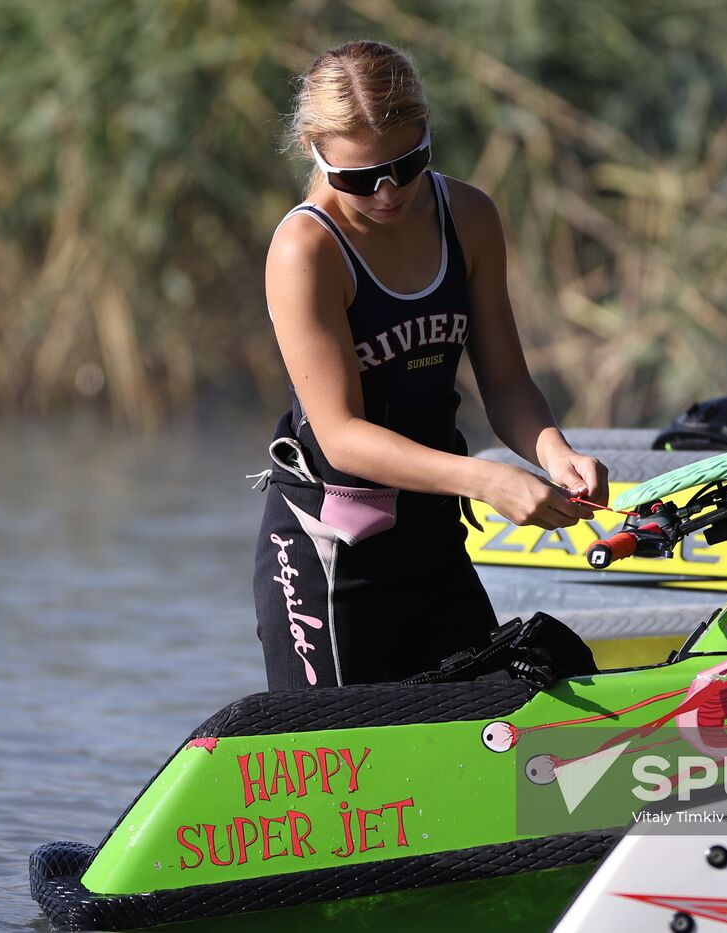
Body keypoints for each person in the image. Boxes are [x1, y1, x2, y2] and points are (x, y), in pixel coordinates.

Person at [252, 40, 608, 690]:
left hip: (434, 543)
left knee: (485, 744)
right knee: (345, 780)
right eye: (359, 178)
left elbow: (505, 383)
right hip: (334, 556)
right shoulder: (306, 250)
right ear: (313, 150)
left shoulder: (468, 216)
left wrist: (556, 453)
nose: (388, 193)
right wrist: (487, 481)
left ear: (427, 134)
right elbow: (340, 435)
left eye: (407, 164)